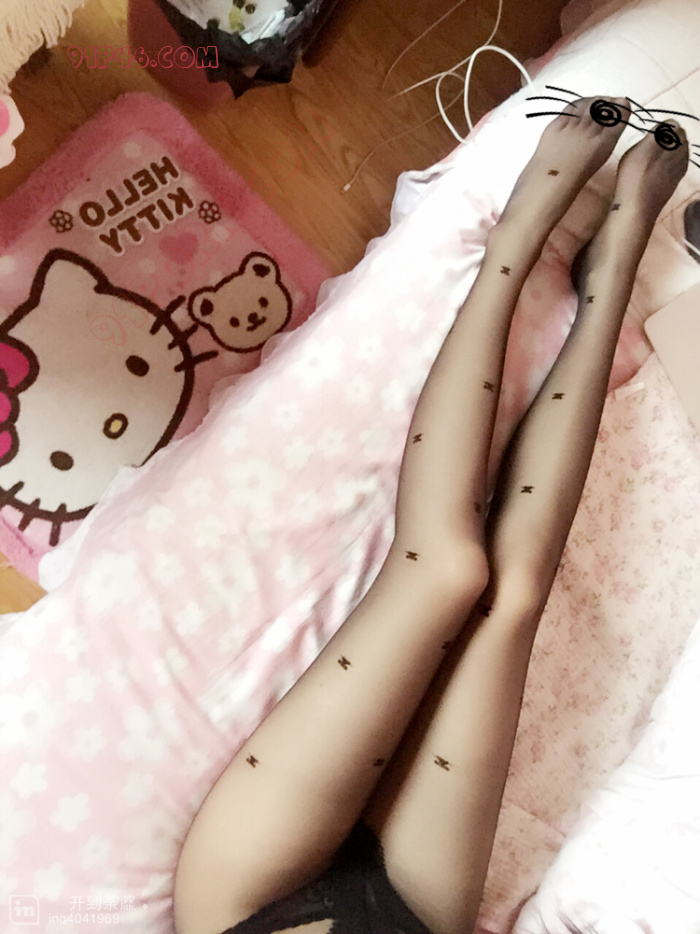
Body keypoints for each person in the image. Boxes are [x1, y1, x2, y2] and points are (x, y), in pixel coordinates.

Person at [172, 97, 689, 934]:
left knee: (443, 566)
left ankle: (513, 246)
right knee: (511, 596)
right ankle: (612, 275)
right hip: (409, 917)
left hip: (242, 908)